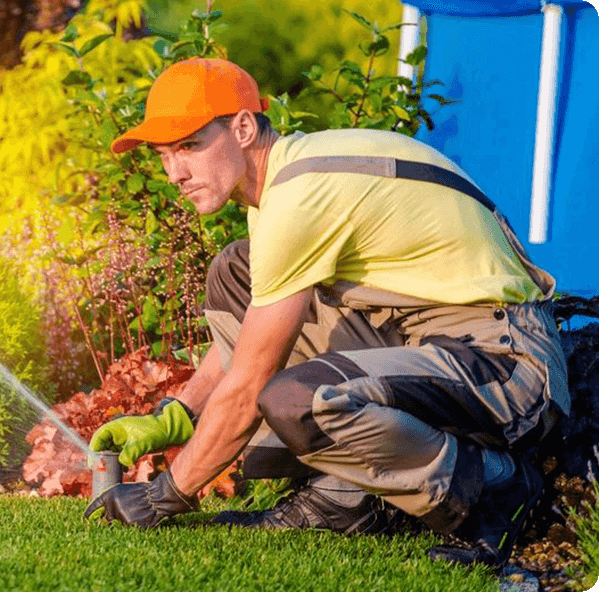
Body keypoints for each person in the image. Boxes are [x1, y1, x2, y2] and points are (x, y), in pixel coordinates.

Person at [82, 58, 570, 569]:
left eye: (189, 146)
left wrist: (166, 495)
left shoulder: (298, 197)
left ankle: (494, 488)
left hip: (506, 365)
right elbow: (252, 343)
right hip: (432, 344)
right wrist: (178, 414)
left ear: (243, 128)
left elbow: (250, 387)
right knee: (237, 271)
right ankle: (345, 499)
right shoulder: (288, 182)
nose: (175, 173)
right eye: (164, 155)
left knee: (296, 403)